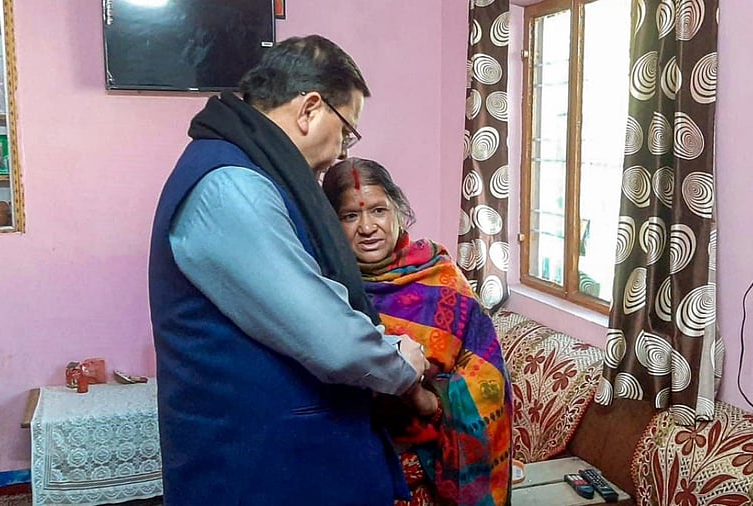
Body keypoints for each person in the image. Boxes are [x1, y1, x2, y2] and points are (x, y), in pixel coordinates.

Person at [148, 36, 430, 506]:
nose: (342, 152)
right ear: (310, 109)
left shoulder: (251, 171)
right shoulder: (232, 187)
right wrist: (402, 365)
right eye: (346, 131)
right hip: (258, 469)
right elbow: (332, 342)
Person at [322, 158, 513, 506]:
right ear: (330, 224)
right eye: (350, 216)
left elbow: (488, 375)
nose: (367, 227)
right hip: (354, 468)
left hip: (438, 471)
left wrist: (426, 400)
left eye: (378, 210)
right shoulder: (323, 287)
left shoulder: (441, 277)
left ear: (397, 208)